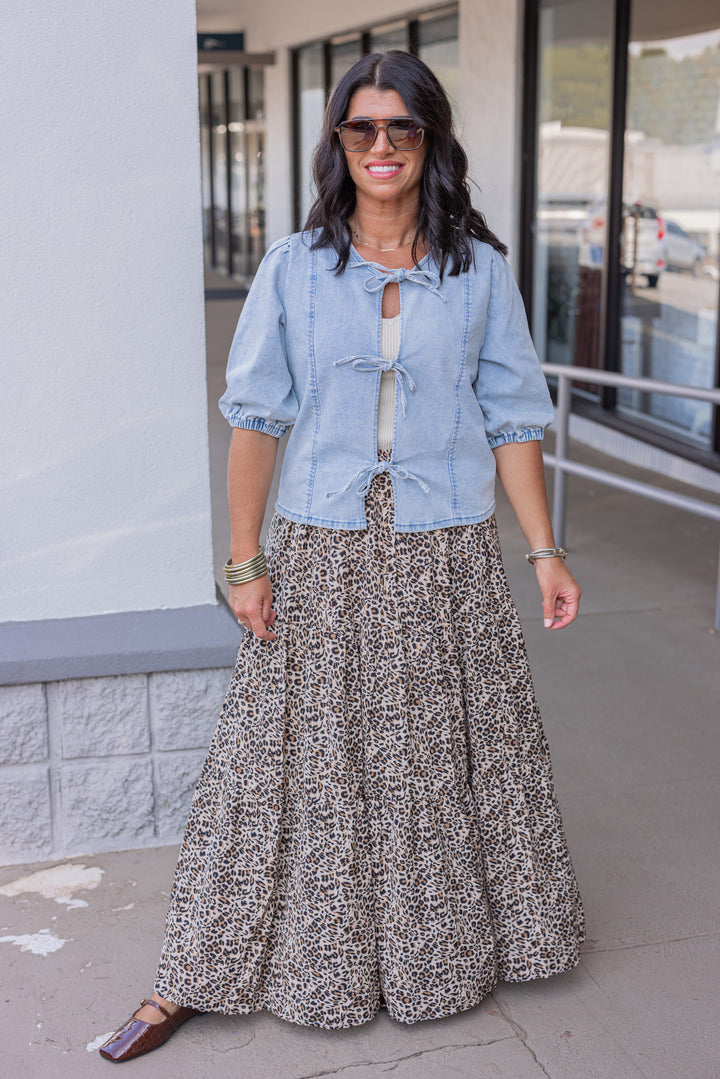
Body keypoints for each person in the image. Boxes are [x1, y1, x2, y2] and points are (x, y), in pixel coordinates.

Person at [99, 50, 584, 1063]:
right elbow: (255, 422)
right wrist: (244, 561)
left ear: (429, 142)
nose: (380, 148)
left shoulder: (479, 271)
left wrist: (543, 549)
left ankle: (435, 954)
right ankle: (196, 968)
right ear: (338, 145)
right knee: (284, 764)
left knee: (441, 760)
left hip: (444, 548)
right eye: (360, 130)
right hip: (321, 543)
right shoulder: (294, 268)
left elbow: (512, 420)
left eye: (399, 129)